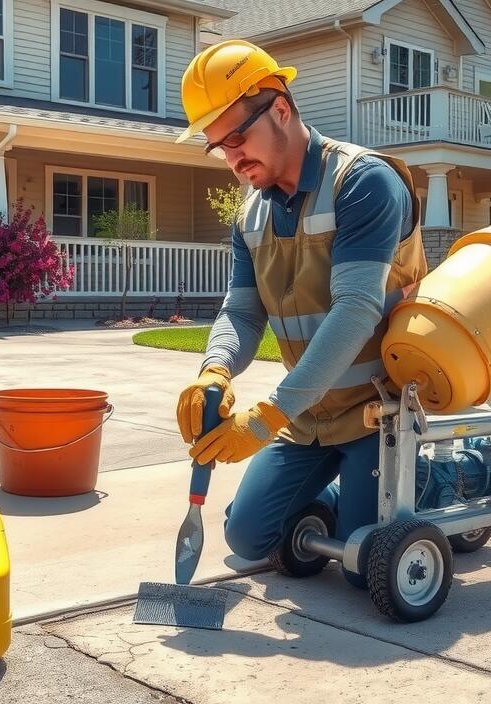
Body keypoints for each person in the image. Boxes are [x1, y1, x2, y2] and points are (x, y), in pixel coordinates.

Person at [173, 40, 428, 587]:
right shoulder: (250, 215)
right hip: (310, 415)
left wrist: (265, 419)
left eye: (237, 137)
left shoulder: (363, 183)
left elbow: (357, 310)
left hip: (378, 412)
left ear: (281, 110)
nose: (233, 159)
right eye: (218, 147)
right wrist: (214, 368)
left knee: (367, 569)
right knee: (247, 537)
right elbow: (240, 314)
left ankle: (447, 477)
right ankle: (353, 495)